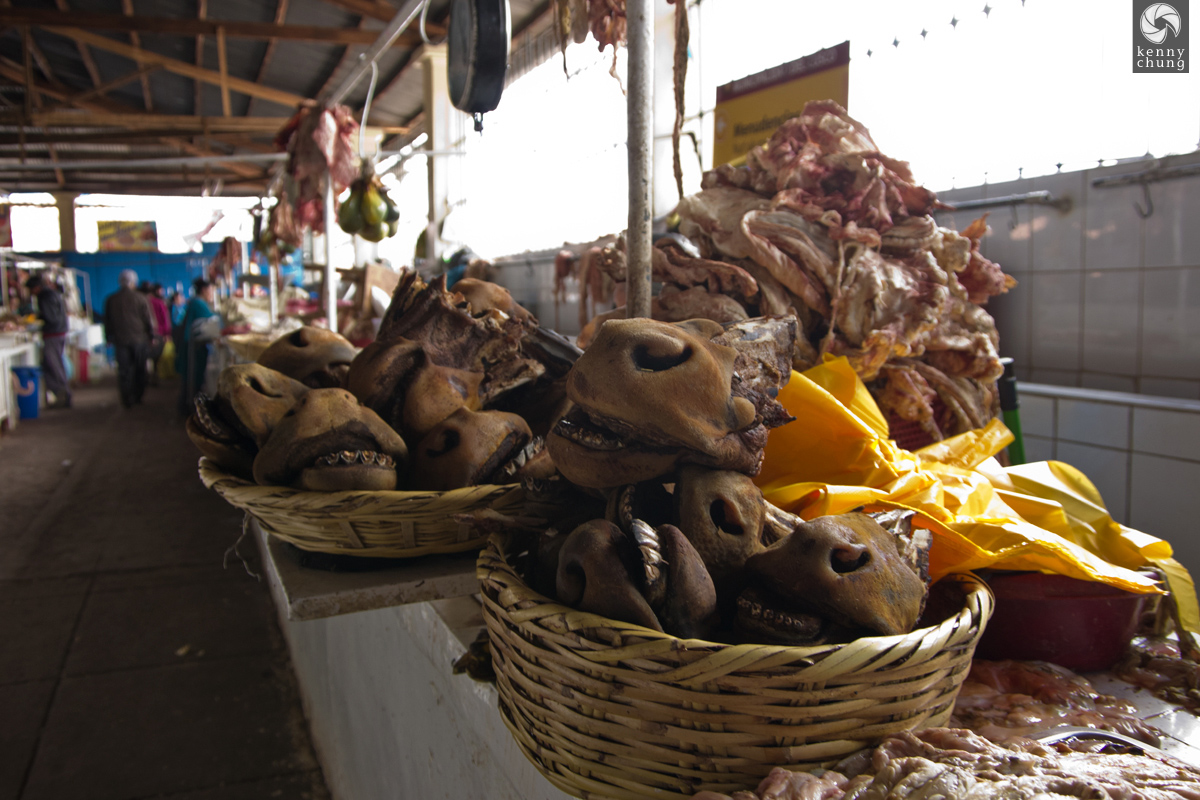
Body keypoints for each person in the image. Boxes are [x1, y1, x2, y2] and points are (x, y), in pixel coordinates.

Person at [104, 269, 155, 409]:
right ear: (133, 282)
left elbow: (107, 321)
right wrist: (152, 336)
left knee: (124, 371)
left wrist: (108, 337)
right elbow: (148, 319)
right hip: (139, 340)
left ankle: (126, 399)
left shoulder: (111, 299)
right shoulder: (141, 298)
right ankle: (138, 396)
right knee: (140, 369)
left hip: (120, 341)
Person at [24, 273, 72, 409]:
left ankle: (64, 394)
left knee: (53, 364)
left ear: (36, 288)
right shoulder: (52, 293)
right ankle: (61, 394)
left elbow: (50, 317)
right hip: (58, 332)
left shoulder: (45, 297)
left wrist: (39, 321)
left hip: (53, 333)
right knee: (53, 363)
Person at [176, 277, 218, 417]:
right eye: (211, 290)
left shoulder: (196, 302)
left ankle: (188, 407)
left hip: (194, 345)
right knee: (192, 378)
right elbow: (215, 320)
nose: (212, 294)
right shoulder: (198, 303)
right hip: (193, 347)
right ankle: (189, 409)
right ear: (204, 290)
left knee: (192, 378)